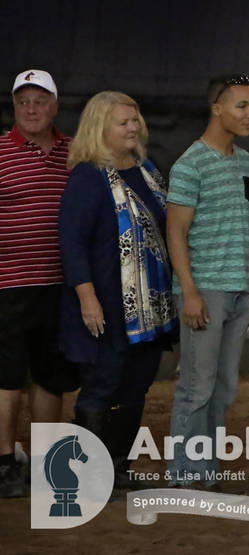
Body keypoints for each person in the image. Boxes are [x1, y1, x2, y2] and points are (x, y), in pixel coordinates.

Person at [58, 91, 176, 492]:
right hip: (107, 304)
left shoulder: (146, 169)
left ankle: (118, 467)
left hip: (149, 308)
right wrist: (87, 297)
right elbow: (72, 242)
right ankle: (88, 476)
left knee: (136, 386)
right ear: (99, 129)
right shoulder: (88, 176)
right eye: (123, 122)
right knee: (102, 386)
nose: (133, 127)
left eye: (135, 119)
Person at [165, 74, 249, 488]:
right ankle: (186, 475)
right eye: (241, 106)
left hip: (239, 290)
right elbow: (175, 234)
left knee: (223, 389)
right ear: (216, 108)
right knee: (196, 388)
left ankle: (205, 471)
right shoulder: (190, 164)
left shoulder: (244, 161)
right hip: (206, 290)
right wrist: (190, 292)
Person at [0, 70, 76, 498]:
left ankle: (49, 463)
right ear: (14, 106)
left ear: (55, 106)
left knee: (53, 377)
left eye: (39, 100)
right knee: (7, 377)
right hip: (8, 285)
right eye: (23, 101)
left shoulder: (74, 153)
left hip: (61, 288)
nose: (31, 108)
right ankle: (4, 463)